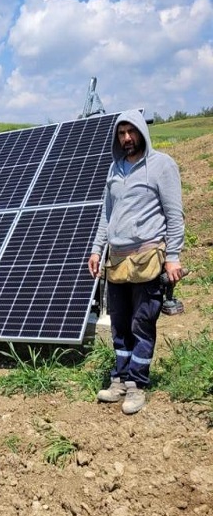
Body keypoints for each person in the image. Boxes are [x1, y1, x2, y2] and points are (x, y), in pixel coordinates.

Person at [88, 109, 185, 414]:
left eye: (132, 132)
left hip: (147, 258)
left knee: (141, 322)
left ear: (142, 132)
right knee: (119, 323)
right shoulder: (115, 169)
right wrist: (96, 250)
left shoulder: (161, 166)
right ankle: (119, 378)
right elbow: (107, 215)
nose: (127, 138)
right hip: (116, 261)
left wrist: (173, 258)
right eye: (121, 133)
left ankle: (137, 384)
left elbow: (174, 215)